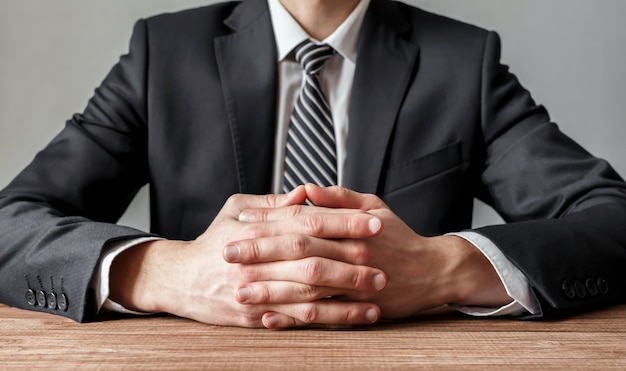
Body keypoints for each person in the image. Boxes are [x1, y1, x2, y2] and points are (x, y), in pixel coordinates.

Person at [1, 0, 625, 329]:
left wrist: (445, 267)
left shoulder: (463, 62)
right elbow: (11, 224)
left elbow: (612, 218)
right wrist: (167, 273)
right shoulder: (163, 54)